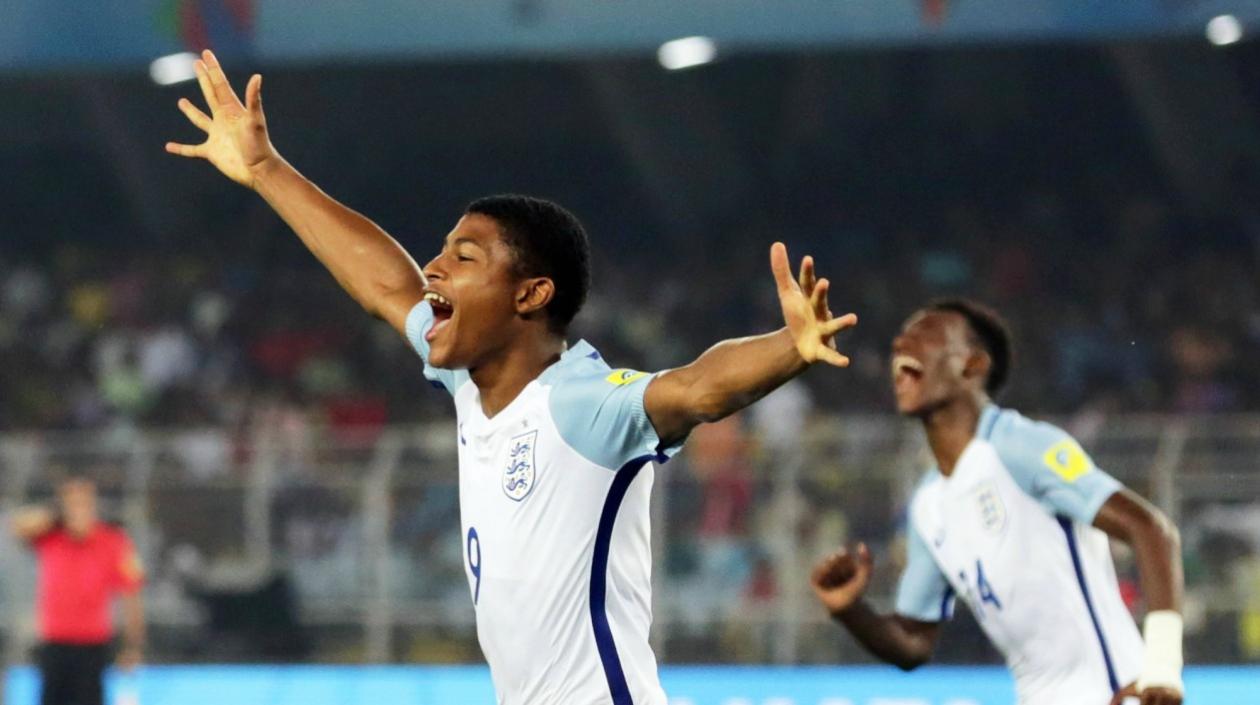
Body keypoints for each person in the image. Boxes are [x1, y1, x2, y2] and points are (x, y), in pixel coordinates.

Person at [165, 50, 857, 704]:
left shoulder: (581, 403)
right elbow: (386, 286)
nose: (434, 268)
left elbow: (696, 388)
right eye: (442, 251)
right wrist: (266, 169)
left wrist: (789, 347)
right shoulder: (470, 384)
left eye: (463, 257)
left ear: (530, 294)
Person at [808, 300, 1184, 705]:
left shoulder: (1021, 447)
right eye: (899, 343)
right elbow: (913, 641)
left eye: (926, 337)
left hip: (1116, 693)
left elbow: (1150, 529)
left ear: (973, 365)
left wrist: (1161, 668)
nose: (903, 348)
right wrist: (850, 611)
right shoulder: (929, 505)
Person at [10, 474, 145, 705]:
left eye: (84, 504)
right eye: (72, 504)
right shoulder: (51, 536)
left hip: (92, 646)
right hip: (55, 643)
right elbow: (18, 526)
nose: (79, 511)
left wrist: (132, 646)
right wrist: (54, 516)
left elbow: (131, 596)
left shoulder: (113, 541)